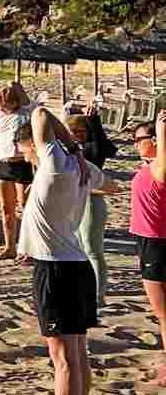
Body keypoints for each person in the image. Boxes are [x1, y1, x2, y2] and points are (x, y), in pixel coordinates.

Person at [17, 106, 102, 395]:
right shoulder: (79, 170)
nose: (26, 160)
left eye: (26, 153)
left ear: (37, 146)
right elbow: (107, 185)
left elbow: (39, 114)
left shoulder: (55, 163)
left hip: (56, 269)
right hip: (77, 264)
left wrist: (72, 146)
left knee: (63, 358)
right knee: (78, 352)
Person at [130, 110, 166, 386]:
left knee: (162, 310)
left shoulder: (159, 165)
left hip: (157, 242)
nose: (135, 144)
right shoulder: (149, 164)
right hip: (148, 241)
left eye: (139, 139)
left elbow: (162, 172)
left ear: (153, 140)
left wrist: (162, 130)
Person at [67, 110, 117, 308]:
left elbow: (102, 149)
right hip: (74, 201)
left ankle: (98, 296)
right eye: (73, 130)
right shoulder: (68, 150)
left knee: (92, 248)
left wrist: (94, 122)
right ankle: (85, 291)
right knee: (80, 248)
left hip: (92, 200)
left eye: (82, 130)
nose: (78, 134)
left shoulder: (91, 148)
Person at [0, 83, 33, 260]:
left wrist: (18, 88)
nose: (1, 106)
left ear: (15, 102)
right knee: (6, 209)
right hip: (4, 165)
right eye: (0, 103)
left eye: (5, 103)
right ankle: (9, 247)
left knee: (26, 207)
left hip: (22, 164)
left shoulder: (25, 114)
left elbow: (30, 104)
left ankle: (29, 248)